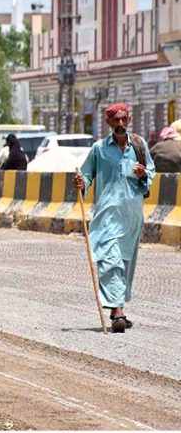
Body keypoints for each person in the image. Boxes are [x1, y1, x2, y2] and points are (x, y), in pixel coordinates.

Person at [73, 103, 155, 333]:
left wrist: (144, 173)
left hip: (131, 215)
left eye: (123, 119)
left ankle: (116, 307)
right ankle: (118, 313)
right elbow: (87, 174)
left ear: (128, 120)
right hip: (107, 215)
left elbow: (151, 170)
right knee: (110, 259)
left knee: (125, 262)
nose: (120, 124)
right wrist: (82, 183)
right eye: (115, 120)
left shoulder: (139, 145)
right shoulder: (99, 149)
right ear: (108, 123)